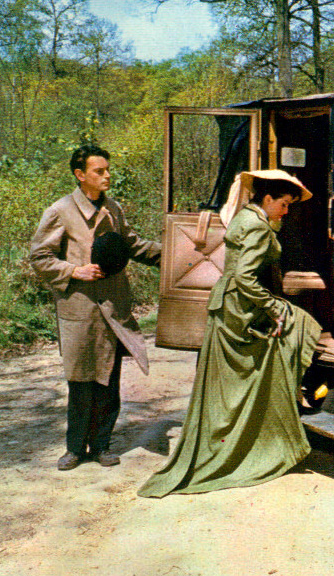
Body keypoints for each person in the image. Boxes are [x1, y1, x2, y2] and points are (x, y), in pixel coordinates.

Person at [138, 170, 322, 497]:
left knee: (228, 390)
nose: (286, 211)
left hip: (226, 309)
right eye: (283, 203)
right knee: (302, 327)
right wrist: (276, 309)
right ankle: (272, 436)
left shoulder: (242, 218)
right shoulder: (259, 227)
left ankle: (257, 436)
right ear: (267, 199)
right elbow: (246, 279)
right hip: (241, 312)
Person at [29, 144, 162, 470]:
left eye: (107, 170)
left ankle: (102, 445)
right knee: (81, 381)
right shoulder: (59, 211)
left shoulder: (113, 209)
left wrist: (180, 255)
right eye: (99, 171)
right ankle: (75, 448)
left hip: (112, 308)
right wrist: (75, 270)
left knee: (109, 381)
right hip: (80, 309)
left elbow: (133, 245)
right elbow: (39, 257)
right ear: (80, 175)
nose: (107, 176)